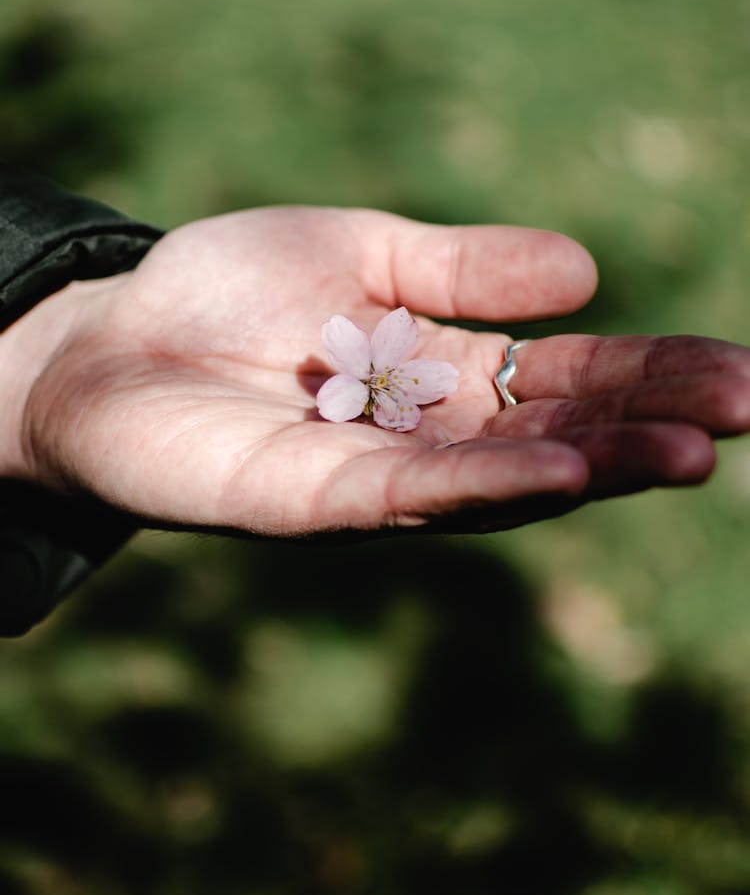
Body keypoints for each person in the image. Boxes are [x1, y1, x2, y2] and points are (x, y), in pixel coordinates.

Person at [2, 166, 750, 636]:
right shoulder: (351, 375)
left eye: (387, 384)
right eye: (378, 385)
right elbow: (345, 394)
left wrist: (47, 342)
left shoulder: (386, 378)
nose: (388, 386)